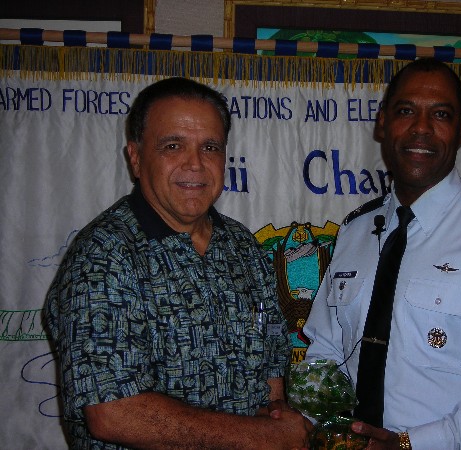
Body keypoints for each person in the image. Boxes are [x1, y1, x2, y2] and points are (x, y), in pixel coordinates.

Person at [302, 58, 461, 450]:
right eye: (406, 111)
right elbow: (326, 349)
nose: (421, 128)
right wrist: (305, 420)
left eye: (440, 114)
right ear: (383, 123)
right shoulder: (356, 230)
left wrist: (415, 443)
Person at [44, 77, 311, 449]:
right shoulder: (103, 255)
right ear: (135, 158)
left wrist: (277, 416)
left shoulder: (242, 245)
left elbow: (270, 369)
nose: (196, 164)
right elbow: (111, 412)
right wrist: (259, 436)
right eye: (173, 145)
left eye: (210, 147)